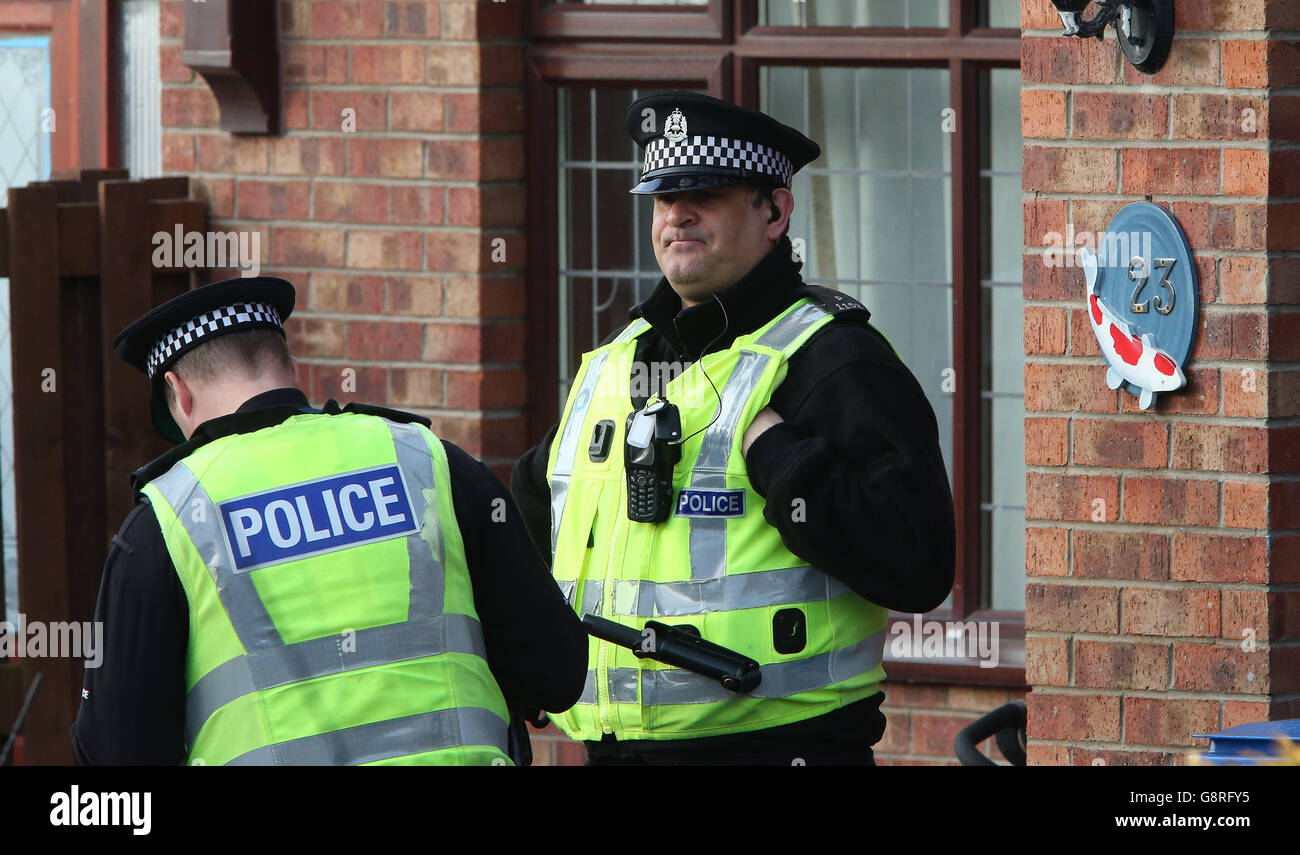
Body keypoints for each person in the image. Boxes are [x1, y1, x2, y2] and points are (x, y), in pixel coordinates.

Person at [510, 91, 956, 765]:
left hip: (780, 748)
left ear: (775, 211)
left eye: (706, 194)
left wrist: (781, 459)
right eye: (662, 198)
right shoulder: (615, 363)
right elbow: (531, 514)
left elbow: (919, 563)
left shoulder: (832, 360)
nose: (676, 215)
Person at [73, 276, 587, 765]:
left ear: (178, 393)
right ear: (287, 366)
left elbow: (119, 753)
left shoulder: (168, 523)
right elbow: (556, 673)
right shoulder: (428, 463)